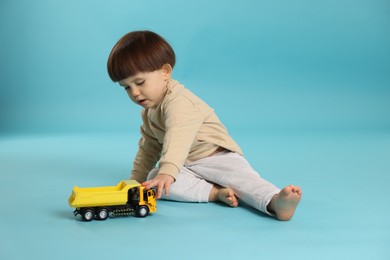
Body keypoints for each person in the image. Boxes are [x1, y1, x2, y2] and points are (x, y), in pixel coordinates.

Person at [107, 30, 302, 220]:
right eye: (126, 87)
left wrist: (168, 171)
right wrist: (135, 181)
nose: (134, 92)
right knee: (154, 180)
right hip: (185, 163)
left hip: (217, 156)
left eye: (140, 82)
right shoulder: (149, 112)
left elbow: (178, 137)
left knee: (244, 182)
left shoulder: (179, 102)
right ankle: (214, 193)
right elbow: (148, 147)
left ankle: (275, 202)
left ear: (165, 72)